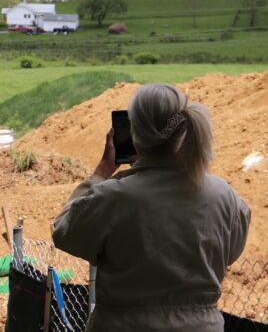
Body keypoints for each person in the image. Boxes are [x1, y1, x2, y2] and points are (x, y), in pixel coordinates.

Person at [52, 83, 250, 332]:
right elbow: (229, 251)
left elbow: (64, 233)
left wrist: (101, 172)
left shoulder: (112, 196)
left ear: (134, 132)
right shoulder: (224, 196)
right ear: (185, 130)